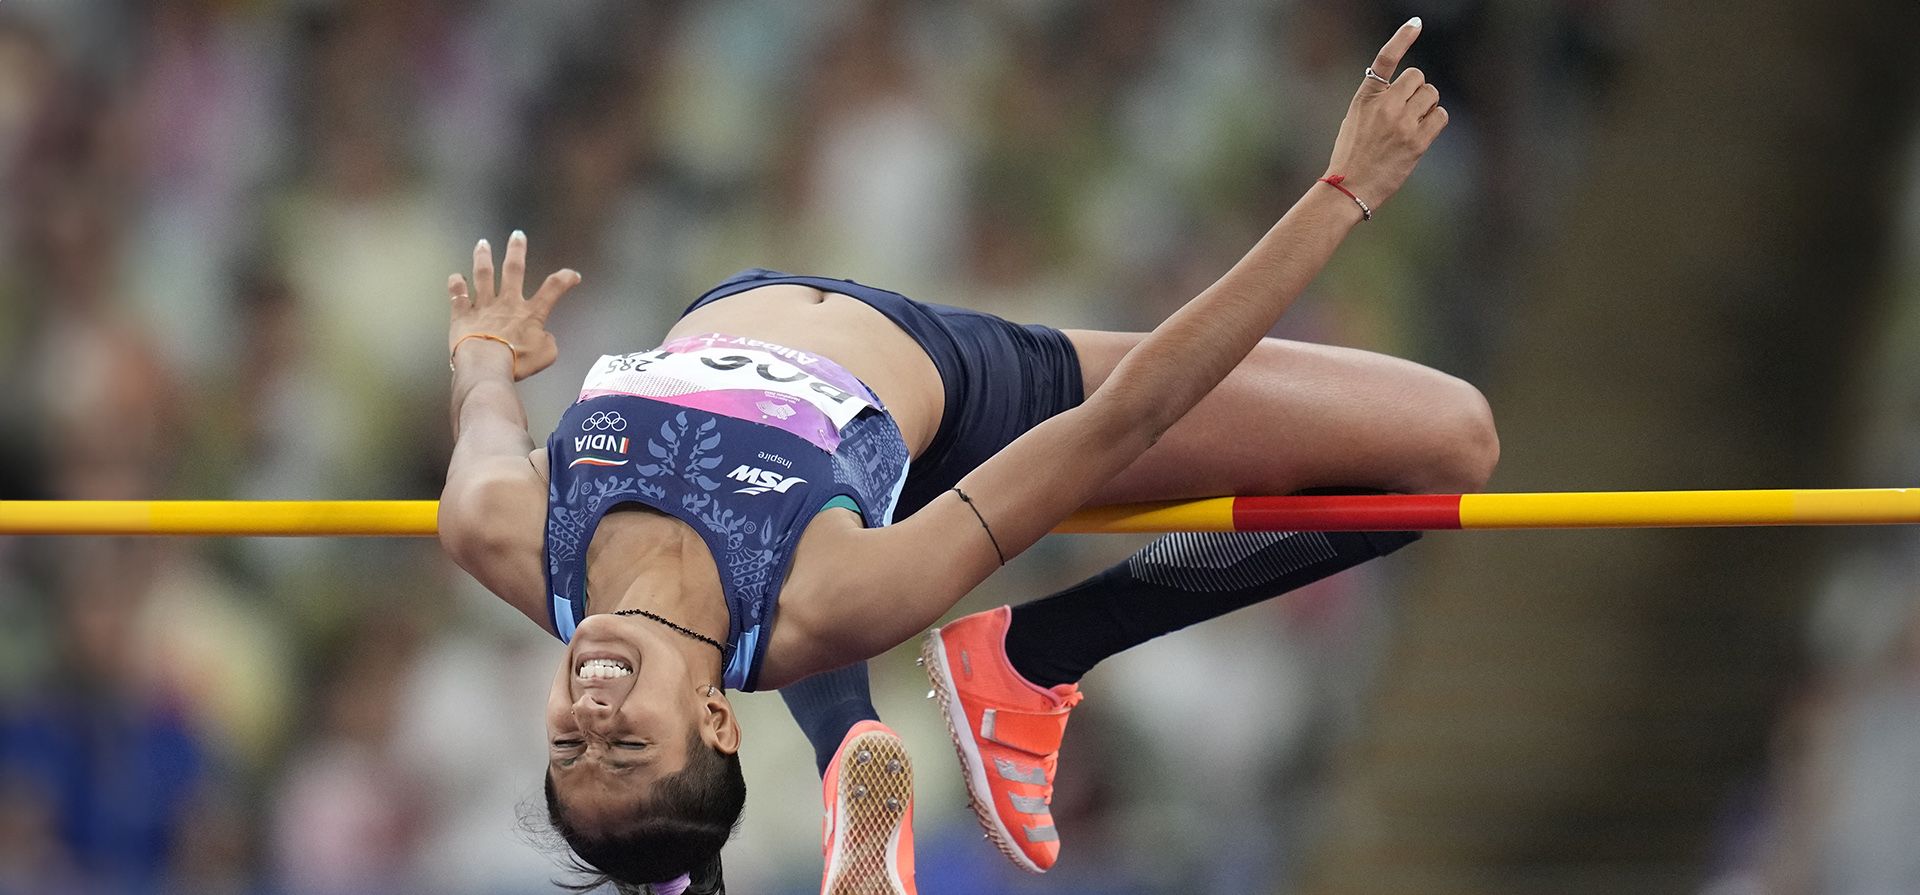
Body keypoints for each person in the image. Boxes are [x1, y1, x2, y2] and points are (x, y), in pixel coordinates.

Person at [437, 19, 1489, 892]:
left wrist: (488, 351)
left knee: (790, 604)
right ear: (715, 720)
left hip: (773, 353)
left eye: (569, 747)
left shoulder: (502, 531)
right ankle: (1035, 654)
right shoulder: (828, 595)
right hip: (969, 393)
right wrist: (1340, 196)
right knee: (1447, 444)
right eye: (626, 745)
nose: (590, 716)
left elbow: (487, 401)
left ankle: (866, 729)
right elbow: (1129, 417)